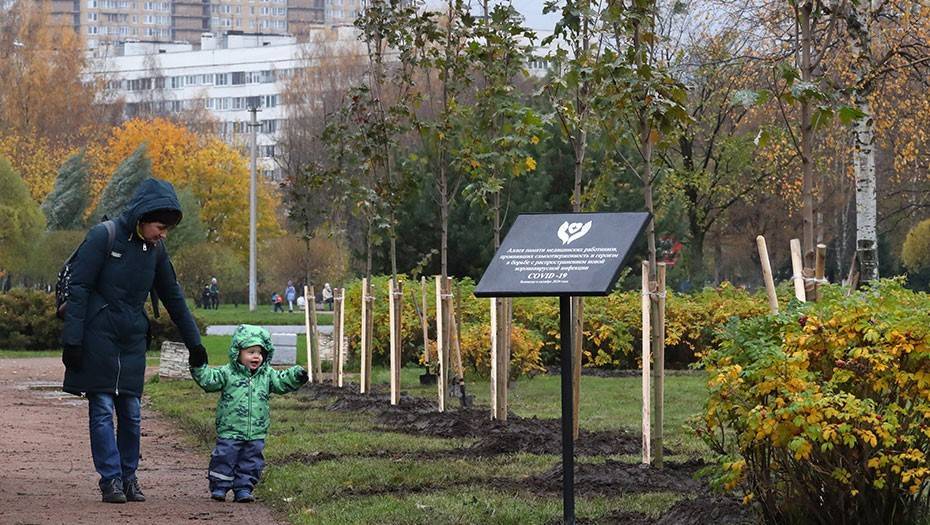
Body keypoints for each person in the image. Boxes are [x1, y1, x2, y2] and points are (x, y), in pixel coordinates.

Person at [61, 178, 208, 504]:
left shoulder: (156, 250)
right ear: (142, 217)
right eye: (159, 226)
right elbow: (79, 288)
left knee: (132, 412)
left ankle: (129, 478)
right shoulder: (104, 236)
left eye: (167, 229)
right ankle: (110, 480)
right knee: (101, 409)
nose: (163, 234)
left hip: (131, 341)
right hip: (97, 337)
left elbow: (173, 296)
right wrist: (72, 341)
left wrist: (194, 343)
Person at [189, 325, 308, 502]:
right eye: (250, 352)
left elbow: (281, 382)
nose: (256, 357)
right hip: (230, 428)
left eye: (260, 353)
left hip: (256, 431)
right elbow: (209, 380)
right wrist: (198, 365)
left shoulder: (266, 374)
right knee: (224, 457)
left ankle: (244, 488)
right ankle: (220, 486)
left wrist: (295, 375)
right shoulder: (227, 373)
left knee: (251, 460)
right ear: (238, 352)